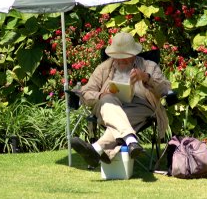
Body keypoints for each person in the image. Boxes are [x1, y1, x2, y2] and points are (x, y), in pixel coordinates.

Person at [71, 32, 171, 168]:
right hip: (107, 106)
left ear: (133, 55)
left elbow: (165, 90)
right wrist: (100, 95)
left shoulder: (149, 66)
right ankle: (130, 140)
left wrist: (146, 77)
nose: (121, 61)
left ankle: (96, 149)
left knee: (120, 119)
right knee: (107, 100)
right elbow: (85, 93)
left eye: (125, 57)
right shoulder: (103, 68)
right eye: (117, 57)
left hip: (140, 107)